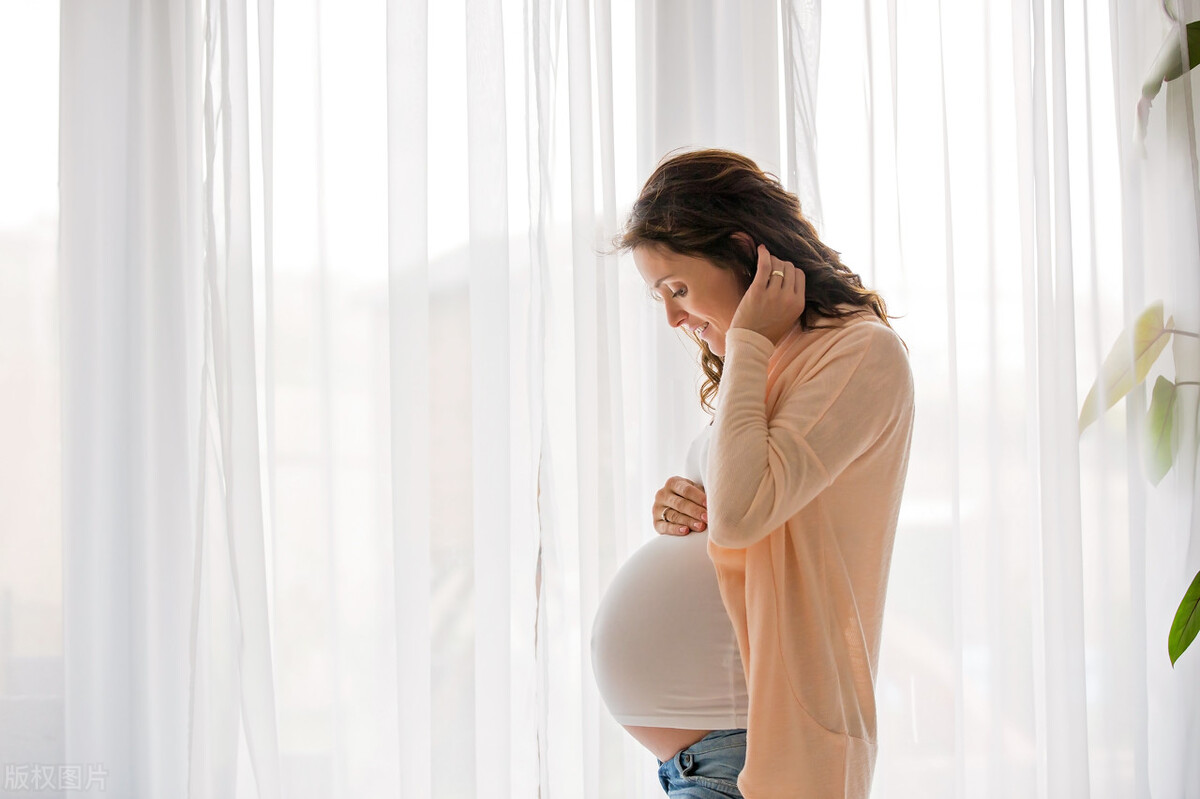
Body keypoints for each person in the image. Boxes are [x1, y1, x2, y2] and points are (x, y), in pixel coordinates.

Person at [596, 149, 915, 799]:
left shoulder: (859, 353)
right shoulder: (767, 365)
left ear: (745, 251)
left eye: (678, 289)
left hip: (751, 751)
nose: (673, 319)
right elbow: (735, 512)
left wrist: (747, 340)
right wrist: (677, 509)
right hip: (709, 760)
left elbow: (743, 513)